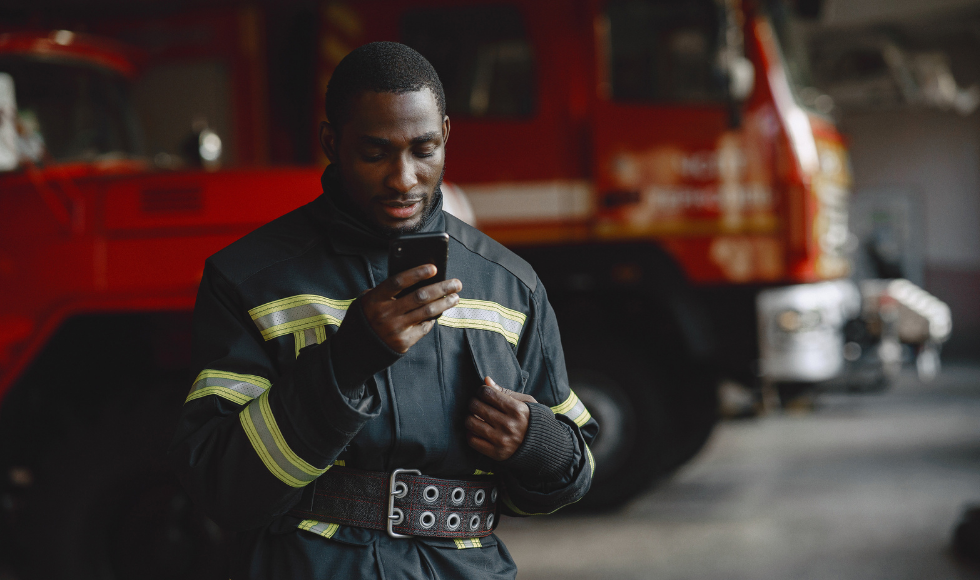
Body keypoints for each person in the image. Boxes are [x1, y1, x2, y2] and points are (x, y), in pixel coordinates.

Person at [169, 41, 597, 579]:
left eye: (423, 150)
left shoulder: (511, 286)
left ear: (445, 134)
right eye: (375, 153)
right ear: (332, 142)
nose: (403, 178)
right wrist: (347, 360)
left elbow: (572, 473)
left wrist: (537, 442)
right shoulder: (250, 280)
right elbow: (221, 487)